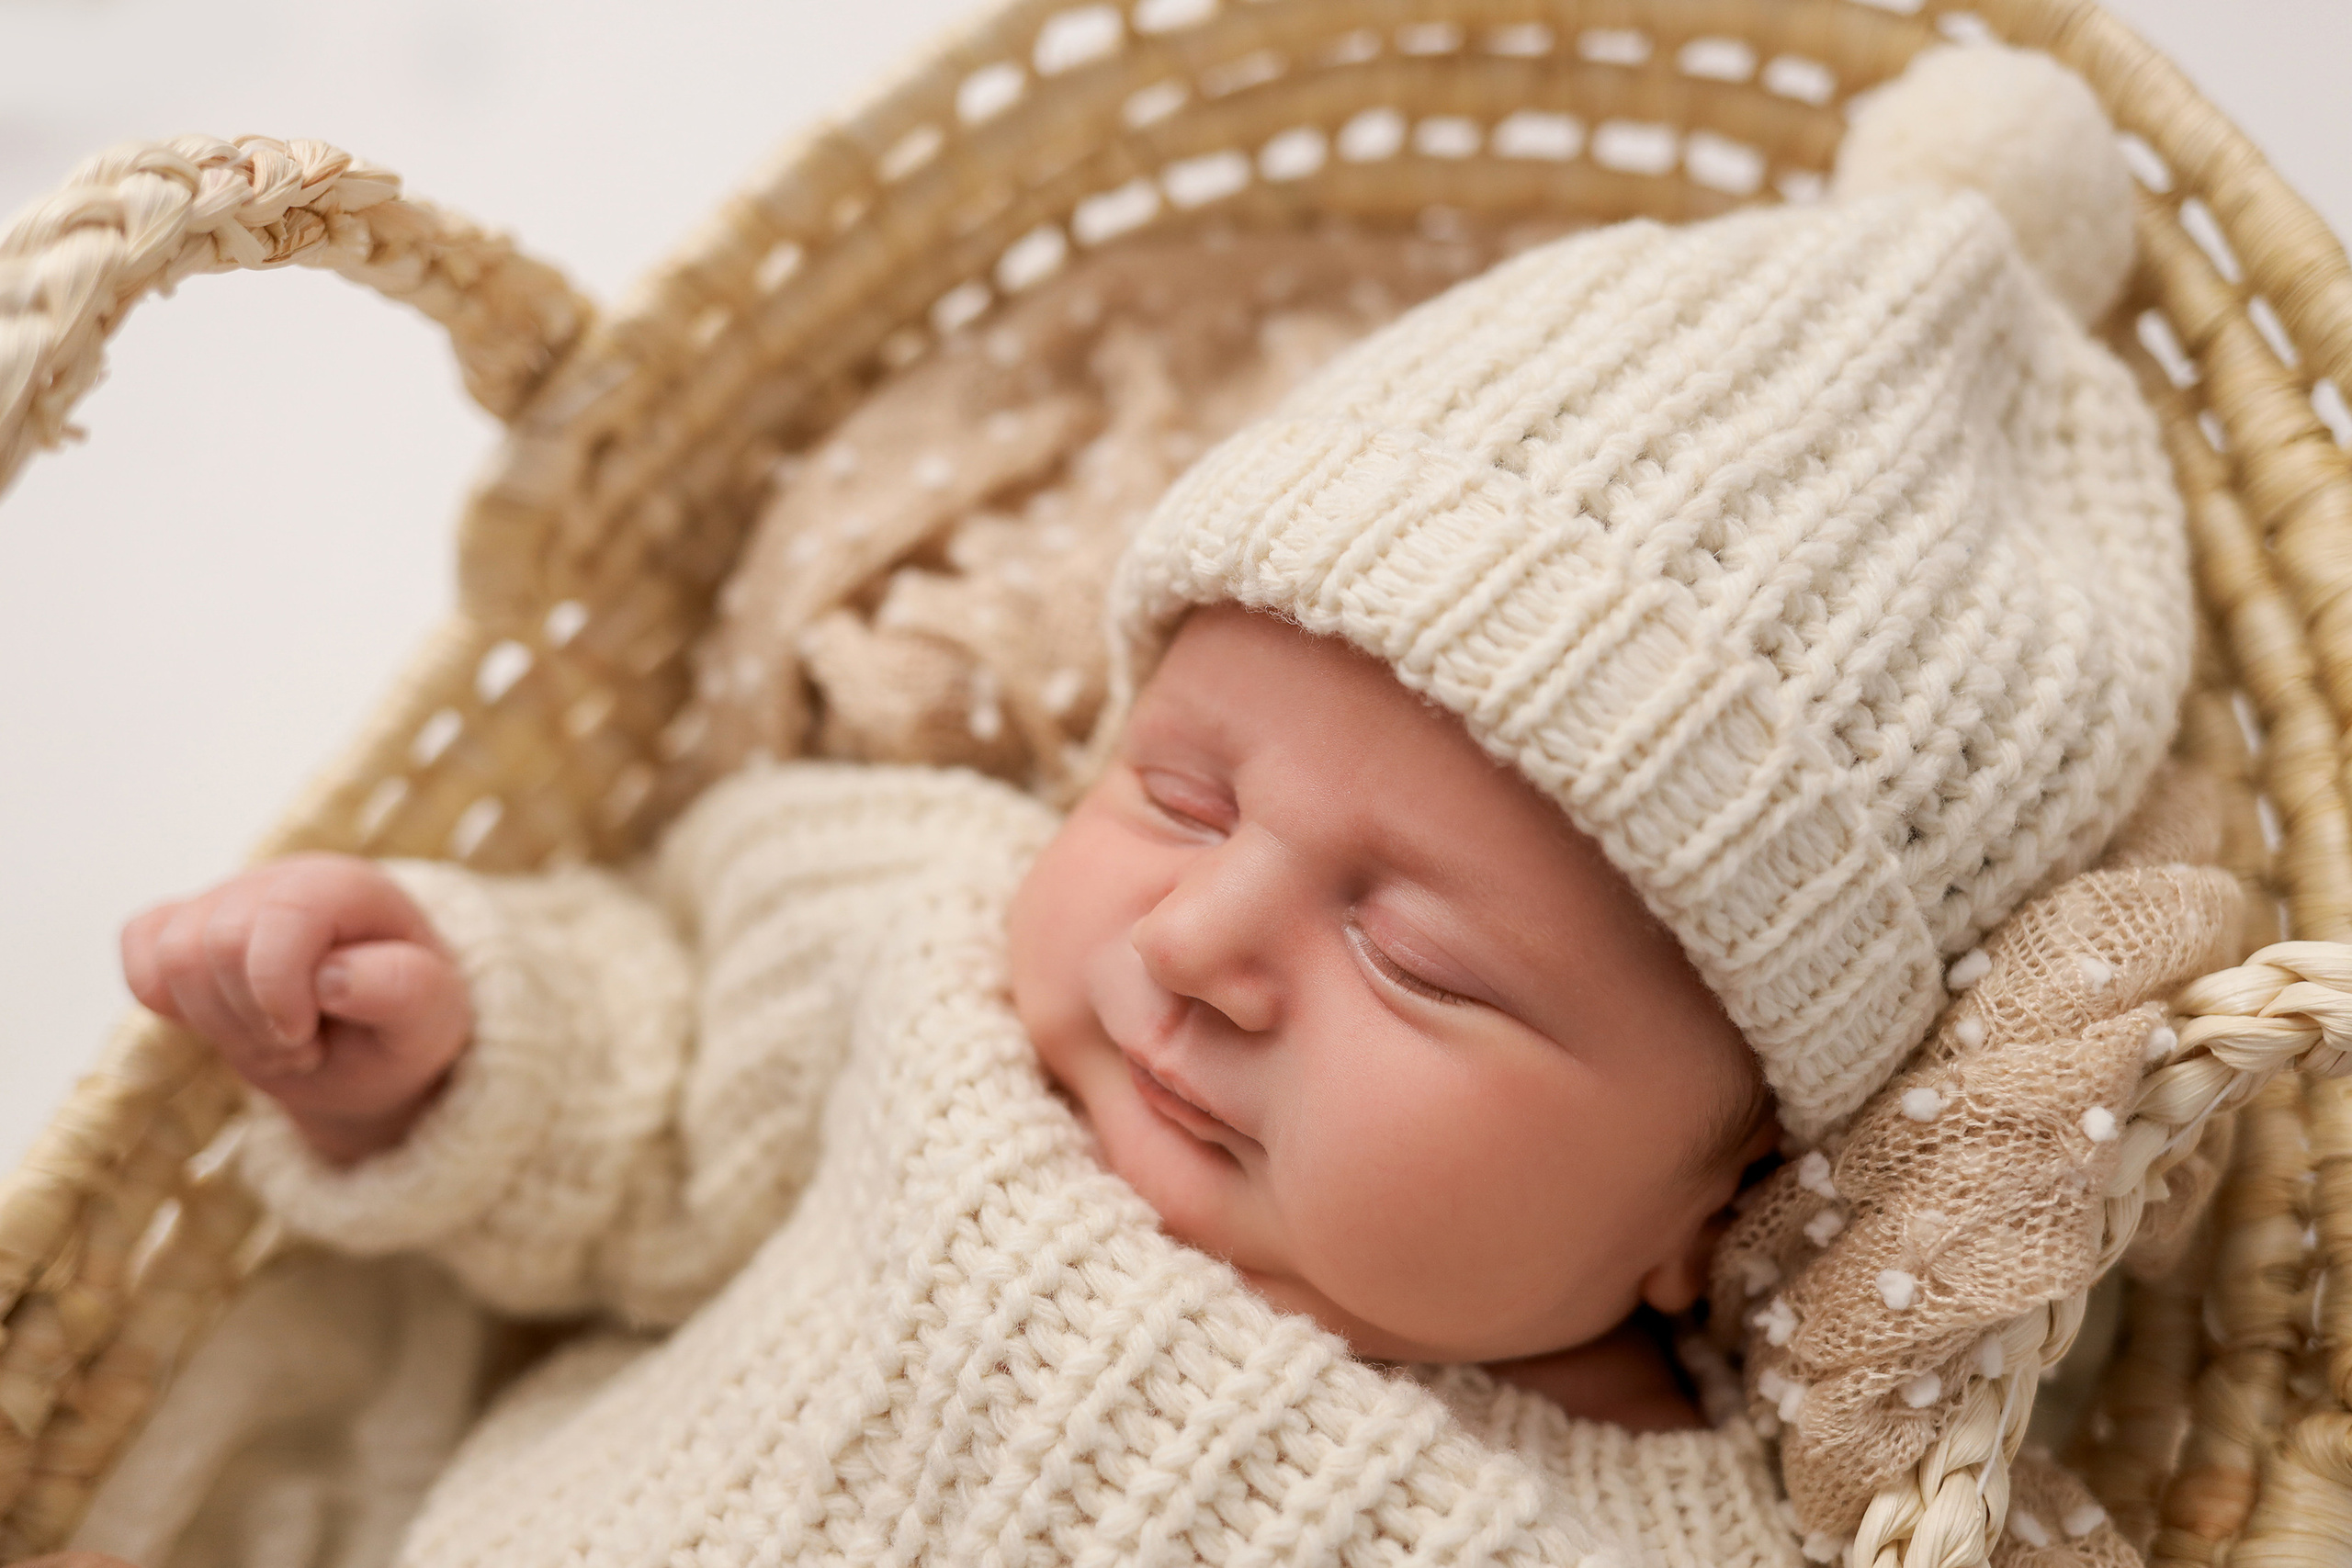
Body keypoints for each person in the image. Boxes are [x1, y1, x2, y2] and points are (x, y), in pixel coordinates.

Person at [112, 42, 2187, 1568]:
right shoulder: (924, 957)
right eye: (1175, 794)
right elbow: (645, 1087)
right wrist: (439, 1034)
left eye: (1414, 951)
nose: (1190, 943)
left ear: (1708, 1200)